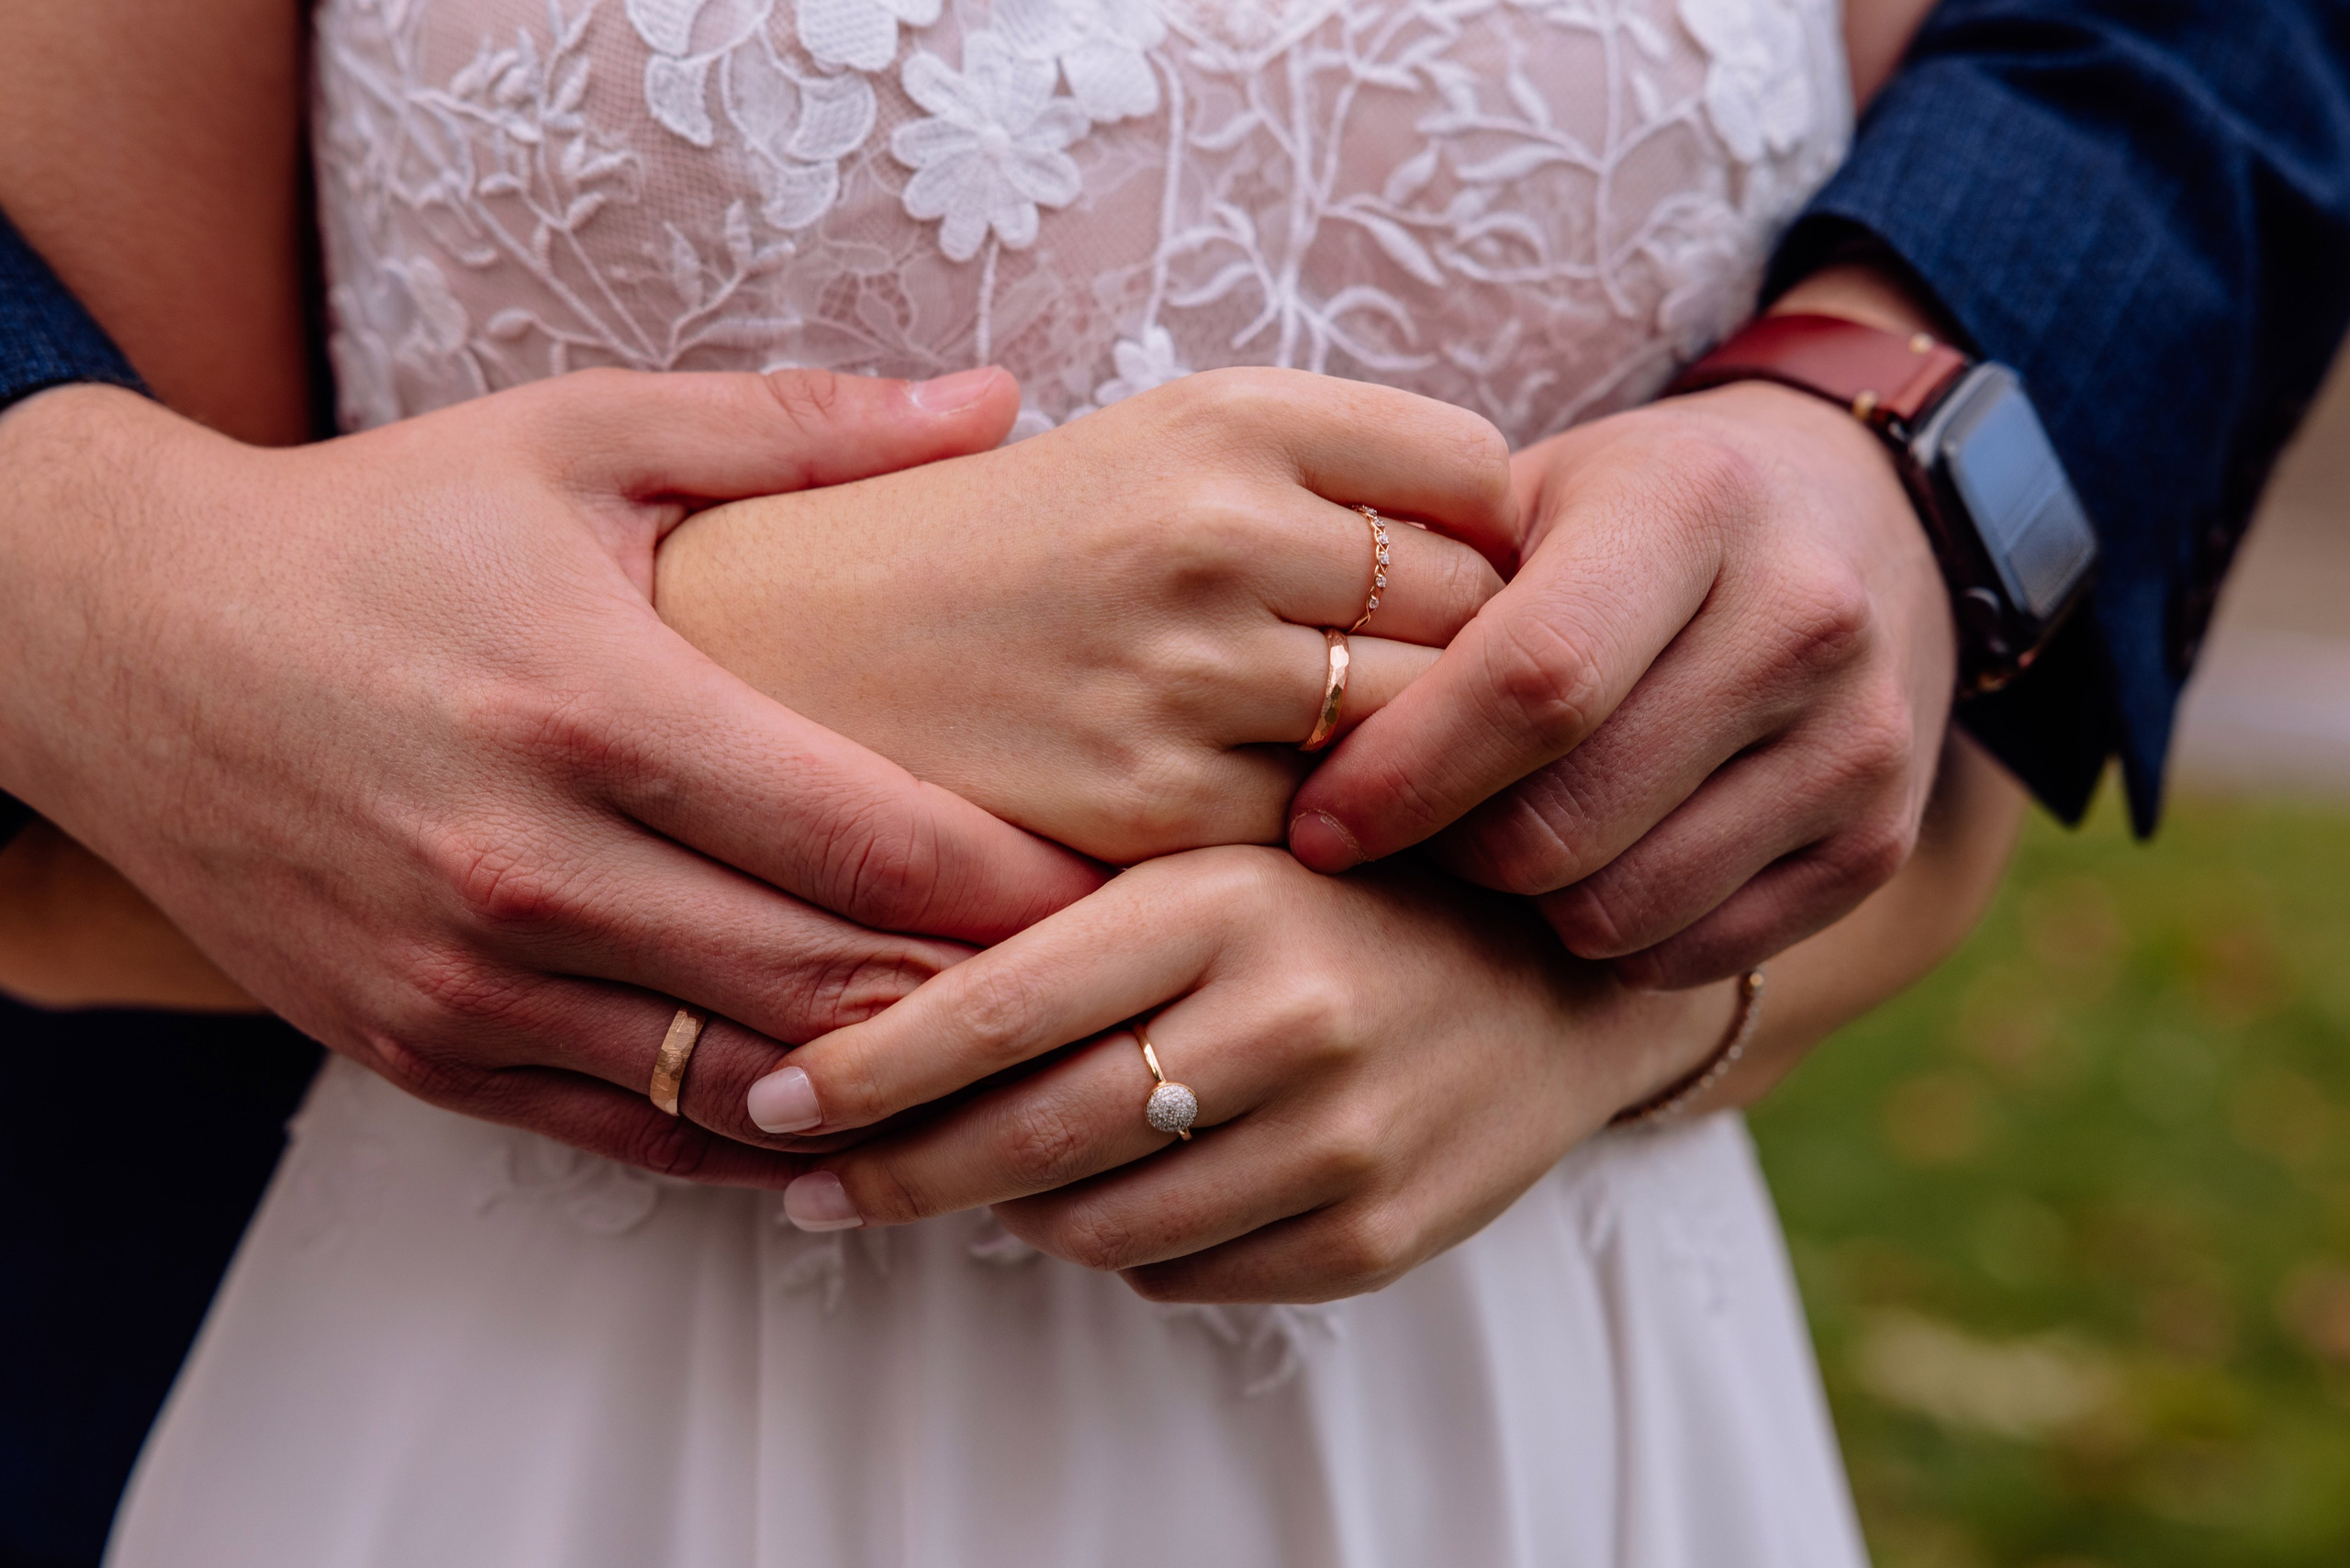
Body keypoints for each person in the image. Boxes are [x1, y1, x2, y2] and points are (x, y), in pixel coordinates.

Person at [0, 0, 2341, 1562]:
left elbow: (2156, 89)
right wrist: (126, 597)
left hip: (1529, 1411)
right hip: (461, 1383)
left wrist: (1872, 465)